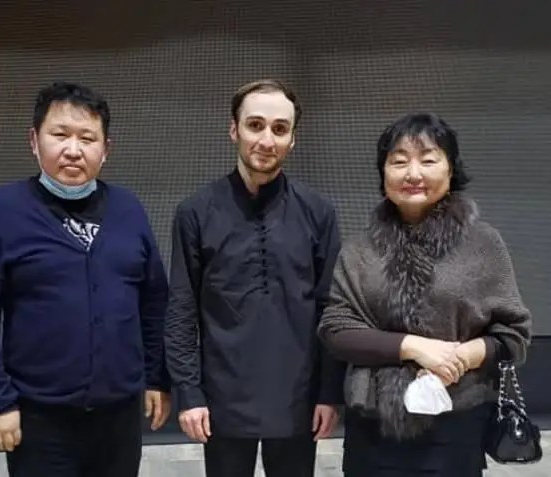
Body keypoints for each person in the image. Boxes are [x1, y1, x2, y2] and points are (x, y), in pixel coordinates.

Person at [0, 81, 171, 477]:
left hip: (119, 417)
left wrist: (156, 377)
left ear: (105, 149)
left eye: (87, 138)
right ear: (34, 141)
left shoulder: (128, 209)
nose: (73, 149)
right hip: (38, 419)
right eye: (60, 135)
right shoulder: (0, 210)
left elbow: (154, 301)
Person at [317, 112, 532, 477]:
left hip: (456, 419)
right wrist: (414, 347)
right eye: (399, 161)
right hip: (372, 426)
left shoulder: (483, 243)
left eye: (428, 160)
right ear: (384, 173)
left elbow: (512, 335)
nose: (413, 173)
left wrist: (460, 357)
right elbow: (336, 330)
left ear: (451, 169)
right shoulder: (358, 250)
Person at [164, 79, 345, 477]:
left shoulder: (319, 212)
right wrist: (188, 392)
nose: (266, 140)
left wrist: (330, 393)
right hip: (222, 402)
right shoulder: (195, 212)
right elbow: (181, 310)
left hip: (298, 400)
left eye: (280, 129)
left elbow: (331, 311)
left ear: (293, 139)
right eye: (255, 125)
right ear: (234, 130)